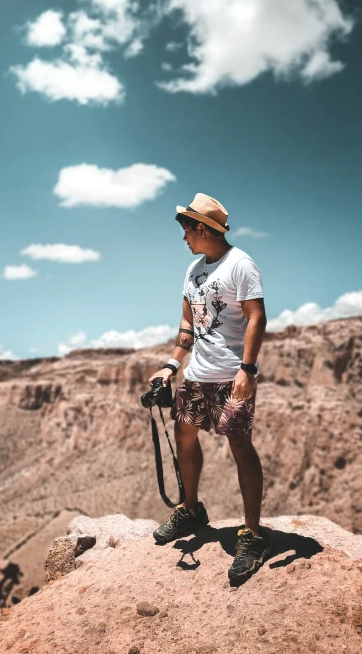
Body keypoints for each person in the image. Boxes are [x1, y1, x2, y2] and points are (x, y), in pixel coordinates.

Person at [149, 192, 271, 584]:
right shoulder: (192, 272)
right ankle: (191, 510)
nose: (184, 237)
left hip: (231, 377)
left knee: (240, 446)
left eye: (187, 230)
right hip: (197, 375)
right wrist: (170, 366)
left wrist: (247, 370)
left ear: (202, 228)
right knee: (183, 435)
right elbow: (189, 326)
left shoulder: (241, 265)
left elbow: (256, 318)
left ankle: (252, 535)